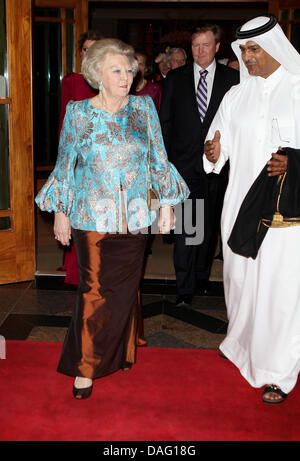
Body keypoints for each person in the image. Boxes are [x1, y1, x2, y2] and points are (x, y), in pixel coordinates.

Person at [35, 38, 189, 399]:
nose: (126, 76)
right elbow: (65, 166)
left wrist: (166, 204)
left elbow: (158, 158)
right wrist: (61, 211)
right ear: (97, 74)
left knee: (124, 289)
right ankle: (85, 367)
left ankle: (121, 350)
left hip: (136, 217)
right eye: (117, 70)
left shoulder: (144, 108)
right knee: (93, 290)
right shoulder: (78, 112)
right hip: (90, 216)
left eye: (130, 70)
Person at [204, 15, 300, 404]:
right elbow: (217, 144)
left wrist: (294, 164)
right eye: (243, 49)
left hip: (284, 214)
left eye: (255, 48)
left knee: (279, 290)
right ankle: (241, 346)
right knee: (240, 281)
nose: (248, 56)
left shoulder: (297, 90)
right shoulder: (235, 95)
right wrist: (213, 153)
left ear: (275, 48)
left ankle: (279, 369)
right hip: (239, 203)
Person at [159, 24, 239, 307]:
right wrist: (166, 165)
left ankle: (202, 278)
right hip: (183, 167)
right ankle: (184, 287)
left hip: (219, 168)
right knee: (188, 228)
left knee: (209, 227)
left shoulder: (233, 80)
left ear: (218, 47)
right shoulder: (175, 78)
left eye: (206, 45)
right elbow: (164, 123)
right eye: (195, 45)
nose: (200, 51)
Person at [59, 30, 102, 285]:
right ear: (81, 53)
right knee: (78, 215)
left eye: (95, 49)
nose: (90, 54)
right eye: (86, 49)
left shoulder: (110, 79)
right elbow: (64, 123)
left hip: (104, 160)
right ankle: (76, 270)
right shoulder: (71, 81)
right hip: (78, 159)